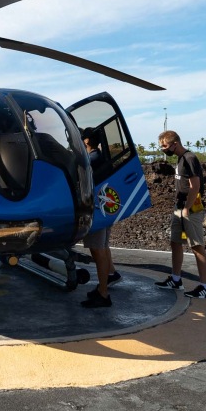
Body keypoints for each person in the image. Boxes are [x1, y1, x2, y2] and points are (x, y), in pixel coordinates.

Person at [155, 130, 206, 299]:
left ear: (175, 143)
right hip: (179, 208)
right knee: (176, 242)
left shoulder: (189, 158)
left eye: (165, 146)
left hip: (191, 209)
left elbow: (195, 186)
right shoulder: (180, 159)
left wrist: (187, 207)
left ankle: (205, 287)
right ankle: (175, 279)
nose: (163, 149)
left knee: (196, 246)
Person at [80, 127, 122, 309]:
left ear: (87, 140)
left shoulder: (91, 159)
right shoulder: (100, 157)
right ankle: (102, 289)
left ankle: (103, 293)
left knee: (98, 251)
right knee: (102, 248)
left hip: (96, 208)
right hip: (103, 208)